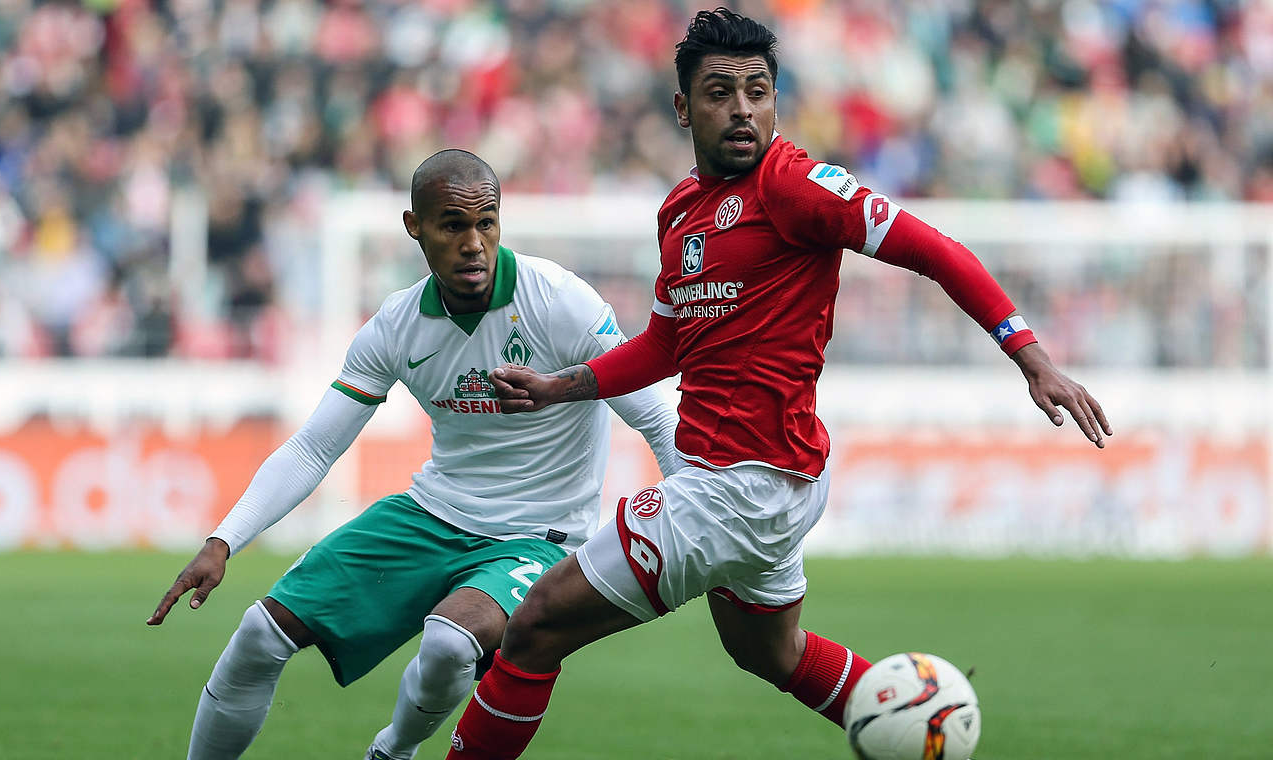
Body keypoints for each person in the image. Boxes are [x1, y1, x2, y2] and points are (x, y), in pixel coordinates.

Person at [444, 9, 1112, 758]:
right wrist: (560, 386)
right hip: (766, 484)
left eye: (758, 91)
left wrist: (1029, 354)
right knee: (770, 653)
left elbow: (936, 250)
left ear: (776, 99)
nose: (742, 109)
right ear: (681, 108)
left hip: (737, 488)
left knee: (535, 625)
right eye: (720, 92)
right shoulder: (679, 214)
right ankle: (923, 729)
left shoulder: (795, 187)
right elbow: (668, 343)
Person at [146, 149, 682, 760]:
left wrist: (689, 529)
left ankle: (392, 750)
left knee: (451, 644)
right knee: (257, 635)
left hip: (540, 535)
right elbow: (315, 448)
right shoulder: (398, 325)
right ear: (415, 228)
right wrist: (223, 542)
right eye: (454, 225)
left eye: (487, 222)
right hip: (431, 515)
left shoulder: (560, 302)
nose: (474, 243)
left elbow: (660, 418)